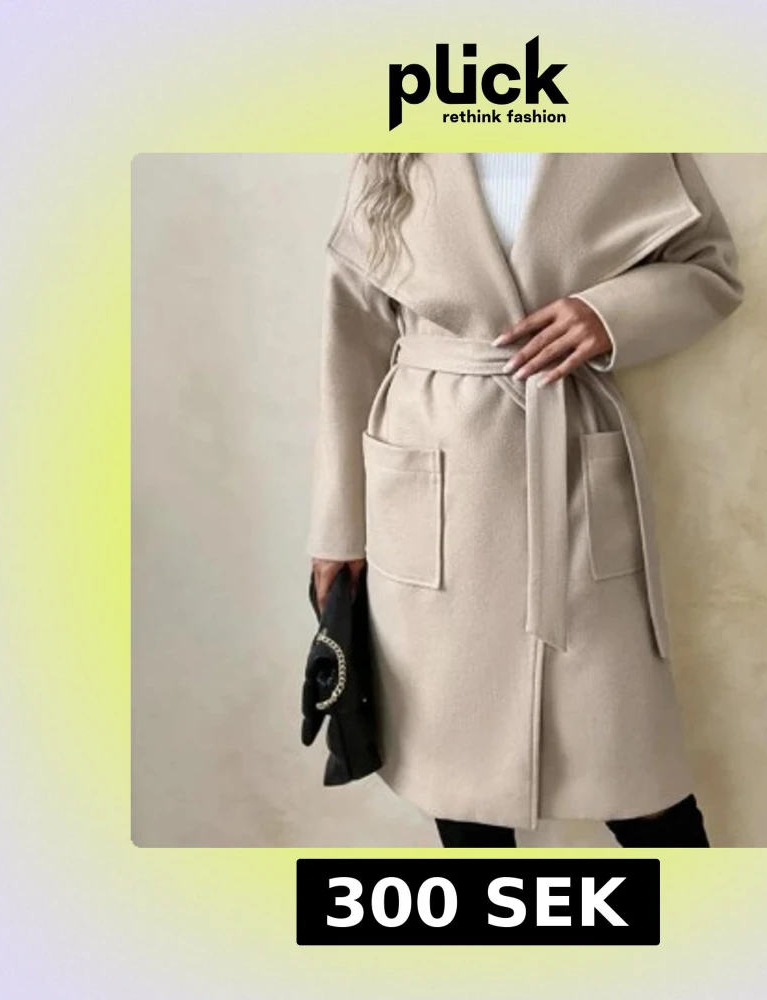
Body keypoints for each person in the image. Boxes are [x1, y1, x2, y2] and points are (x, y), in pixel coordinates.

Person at [307, 152, 744, 847]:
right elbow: (352, 338)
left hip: (572, 467)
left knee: (643, 783)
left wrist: (610, 315)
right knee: (459, 783)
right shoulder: (392, 150)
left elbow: (711, 270)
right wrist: (337, 529)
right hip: (436, 485)